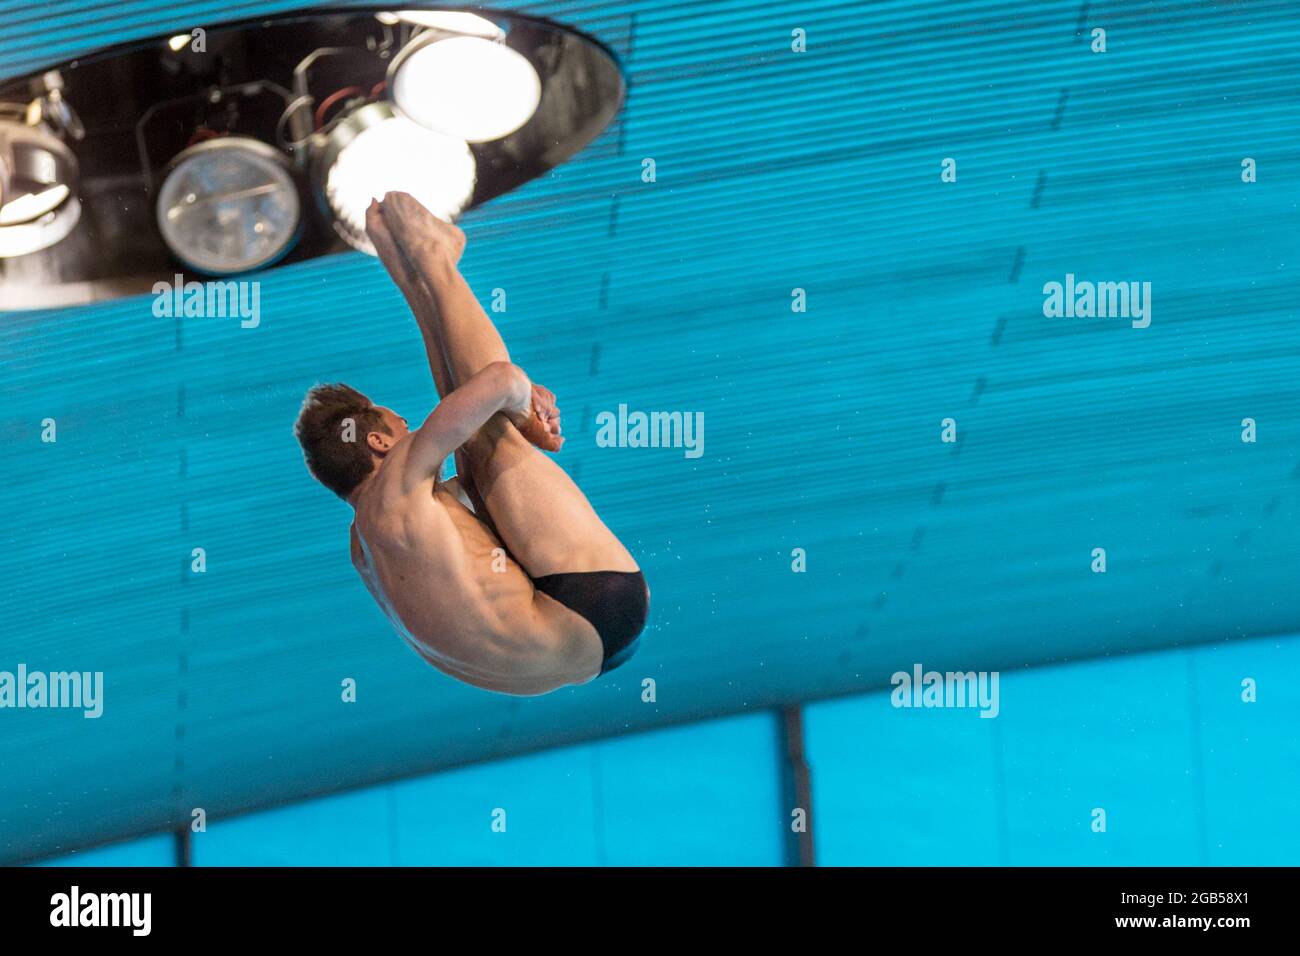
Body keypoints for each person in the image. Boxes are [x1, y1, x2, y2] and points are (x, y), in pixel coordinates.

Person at [294, 192, 648, 695]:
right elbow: (500, 380)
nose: (411, 424)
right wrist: (526, 408)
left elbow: (467, 423)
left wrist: (504, 402)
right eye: (402, 423)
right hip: (592, 602)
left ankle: (420, 270)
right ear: (376, 441)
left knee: (472, 429)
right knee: (486, 429)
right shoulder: (395, 488)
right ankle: (433, 259)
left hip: (572, 654)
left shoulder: (364, 547)